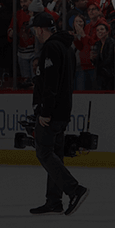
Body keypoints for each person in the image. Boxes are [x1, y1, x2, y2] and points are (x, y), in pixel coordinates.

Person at [25, 12, 89, 217]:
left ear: (40, 29)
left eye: (35, 29)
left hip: (52, 112)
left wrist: (44, 111)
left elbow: (51, 82)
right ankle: (53, 201)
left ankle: (73, 189)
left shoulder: (51, 47)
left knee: (43, 152)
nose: (34, 33)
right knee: (56, 154)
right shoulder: (65, 47)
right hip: (63, 109)